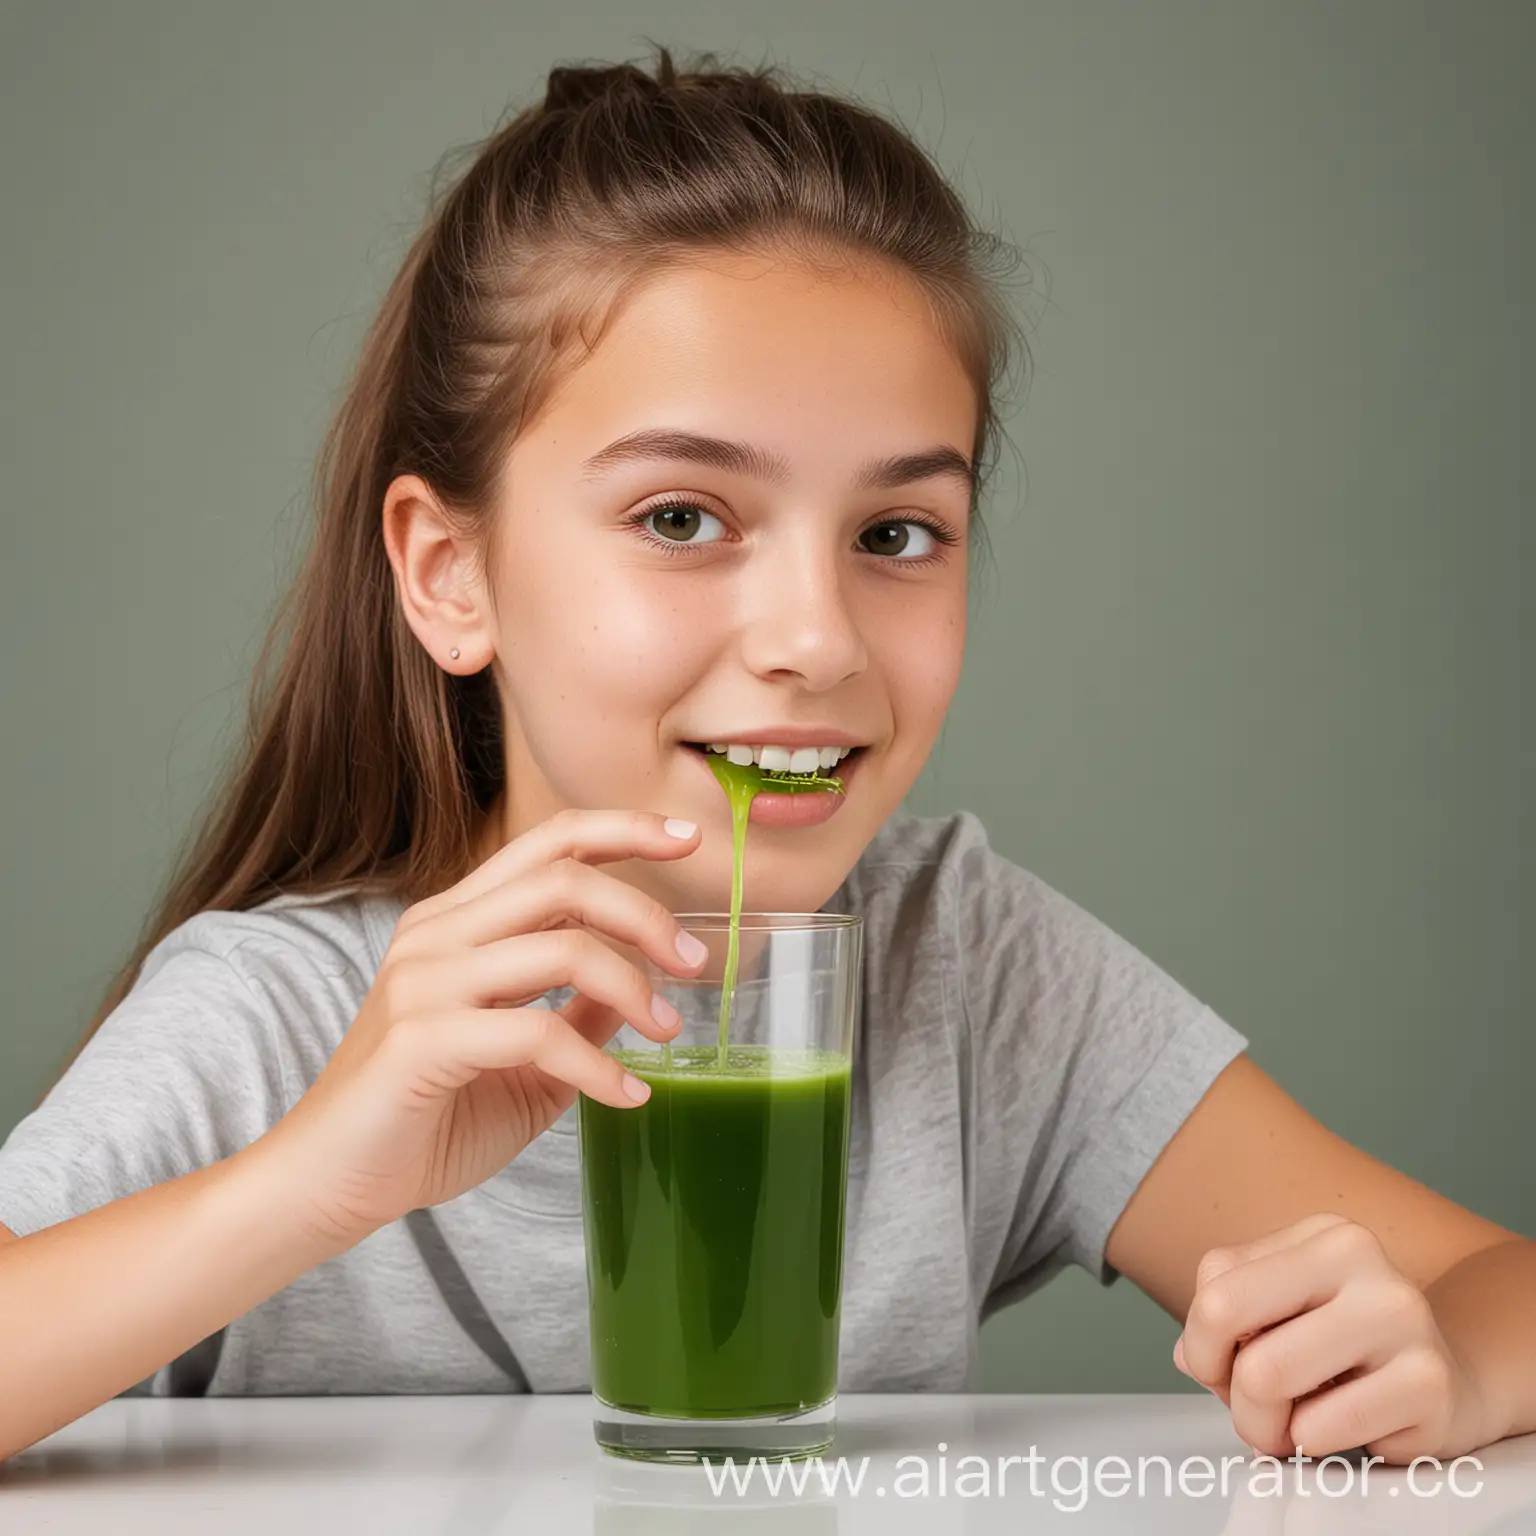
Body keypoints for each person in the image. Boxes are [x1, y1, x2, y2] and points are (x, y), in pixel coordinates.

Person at [0, 47, 1530, 1469]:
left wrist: (1442, 1362)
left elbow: (1495, 1283)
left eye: (896, 534)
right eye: (682, 517)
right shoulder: (280, 1022)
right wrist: (316, 1180)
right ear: (448, 573)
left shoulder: (966, 967)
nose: (819, 638)